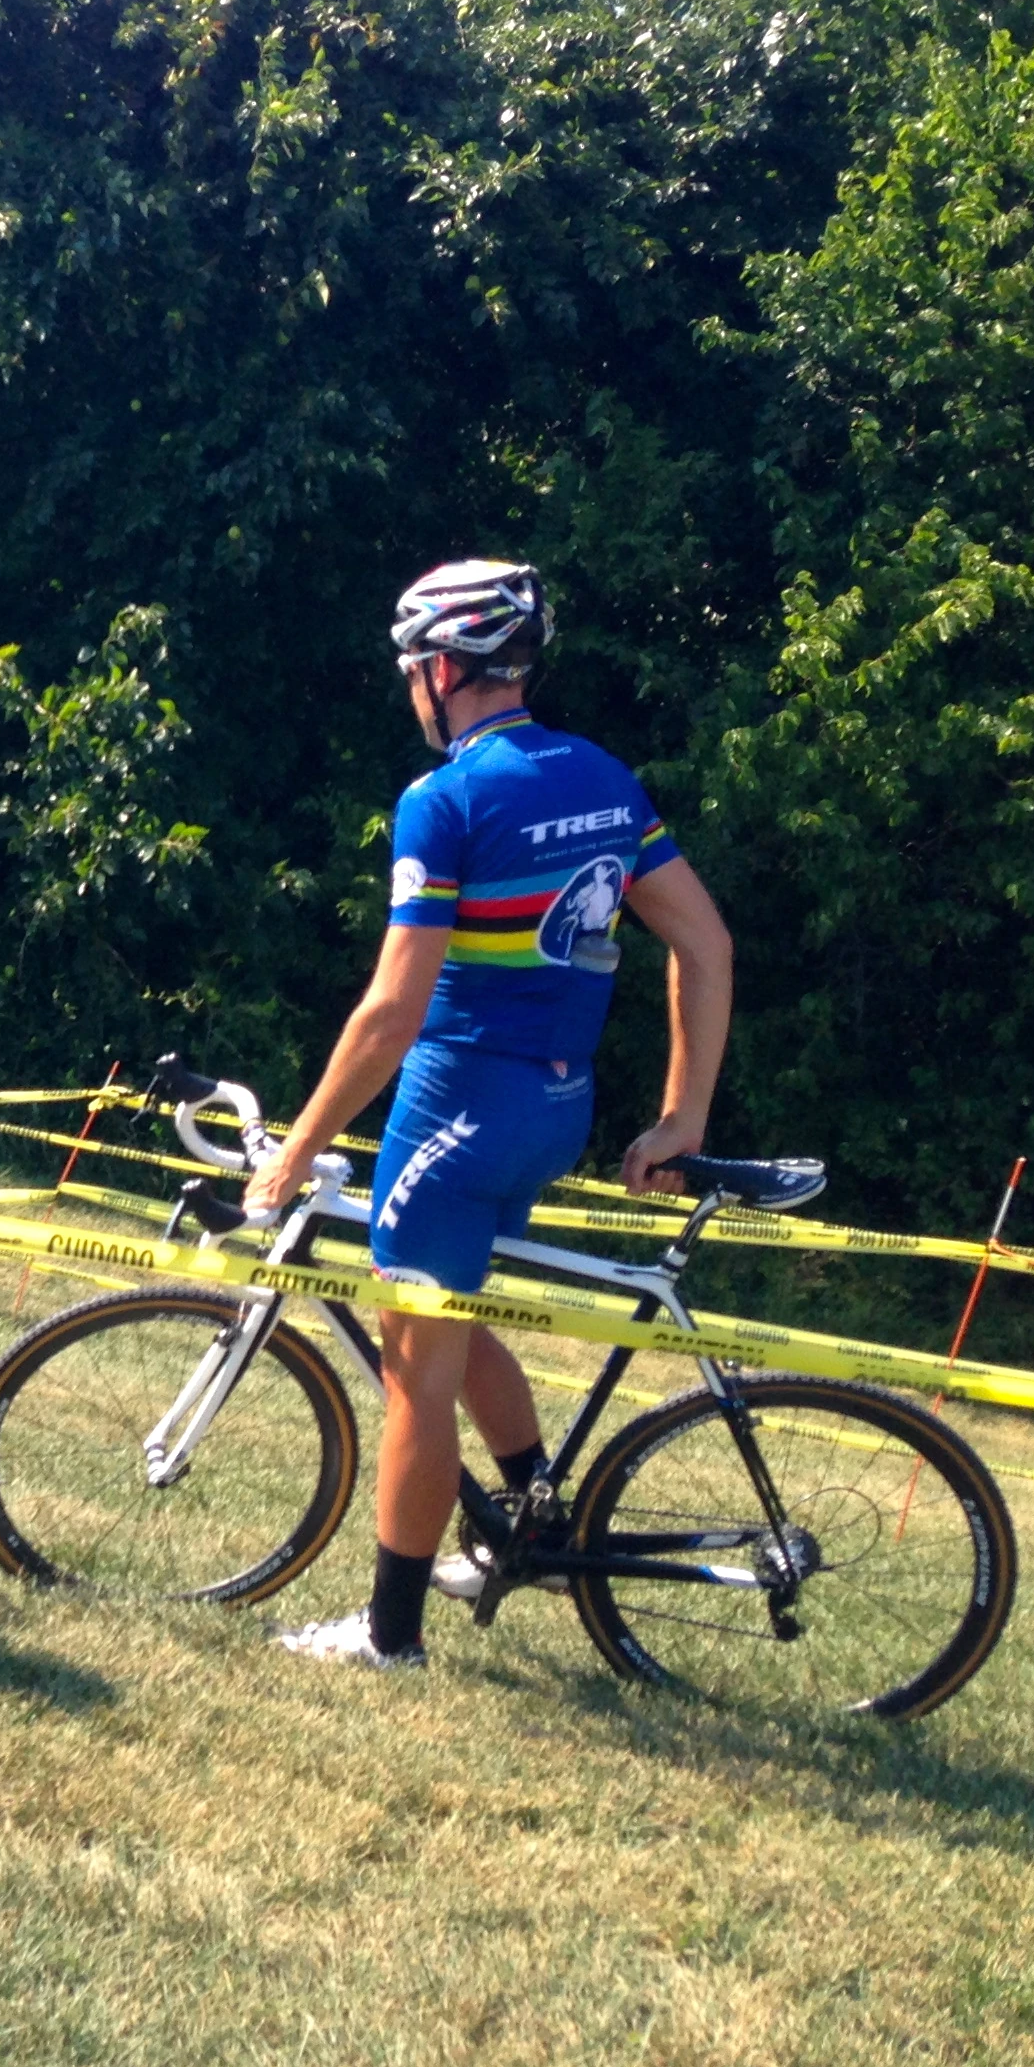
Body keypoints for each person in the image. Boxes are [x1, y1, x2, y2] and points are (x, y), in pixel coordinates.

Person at [243, 560, 733, 1671]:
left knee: (415, 1365)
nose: (411, 687)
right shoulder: (603, 776)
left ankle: (389, 1636)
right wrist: (679, 1117)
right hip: (557, 1109)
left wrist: (303, 1146)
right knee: (447, 1317)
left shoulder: (445, 799)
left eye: (414, 668)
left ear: (445, 669)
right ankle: (527, 1512)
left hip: (461, 1101)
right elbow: (705, 943)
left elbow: (391, 1010)